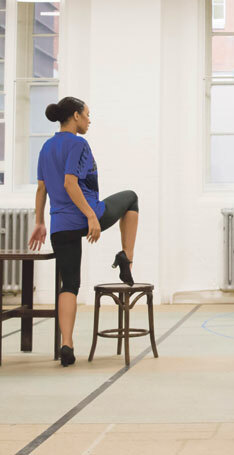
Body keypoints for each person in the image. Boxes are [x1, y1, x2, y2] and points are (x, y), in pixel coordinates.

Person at [28, 96, 139, 367]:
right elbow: (69, 183)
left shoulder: (46, 147)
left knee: (70, 284)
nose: (89, 120)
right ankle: (126, 256)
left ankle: (67, 343)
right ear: (76, 116)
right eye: (87, 115)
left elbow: (42, 189)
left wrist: (40, 221)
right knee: (132, 198)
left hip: (60, 224)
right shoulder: (78, 143)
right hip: (89, 215)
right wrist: (91, 216)